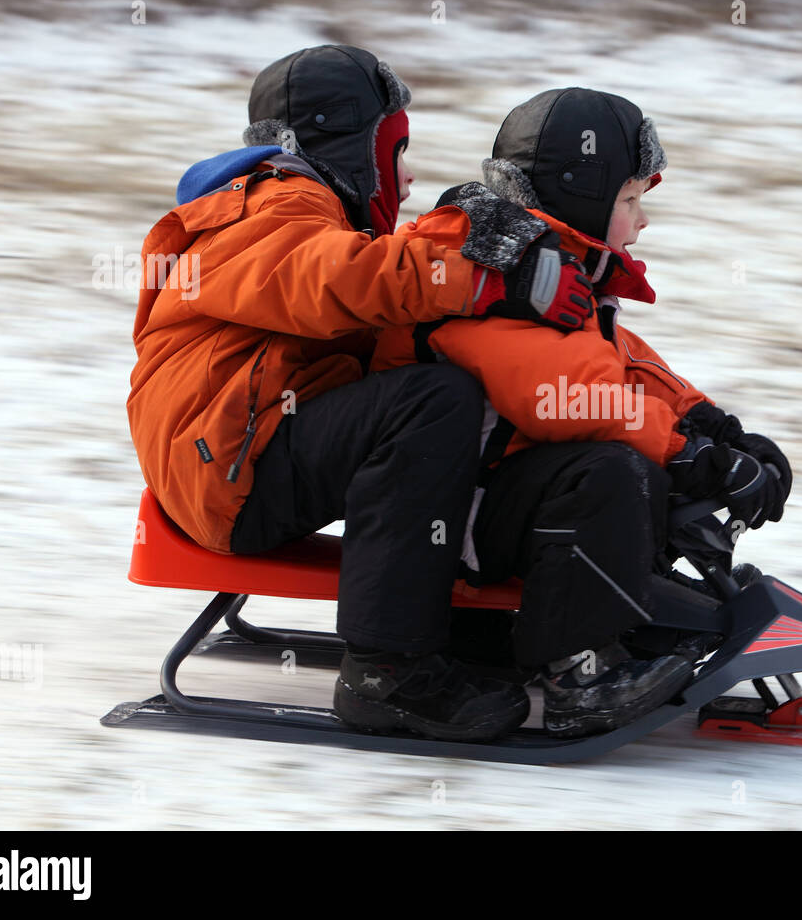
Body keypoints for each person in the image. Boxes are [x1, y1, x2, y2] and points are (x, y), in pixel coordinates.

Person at [126, 47, 596, 743]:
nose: (405, 181)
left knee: (442, 383)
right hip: (226, 472)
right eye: (395, 151)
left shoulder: (302, 212)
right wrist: (486, 277)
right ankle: (387, 670)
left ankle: (463, 621)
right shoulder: (272, 204)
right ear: (348, 146)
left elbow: (361, 300)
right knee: (429, 403)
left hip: (238, 453)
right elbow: (327, 280)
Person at [367, 88, 794, 738]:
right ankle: (577, 675)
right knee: (615, 471)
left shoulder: (544, 268)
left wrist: (712, 425)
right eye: (629, 201)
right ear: (581, 198)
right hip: (445, 522)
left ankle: (628, 623)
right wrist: (690, 456)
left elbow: (624, 363)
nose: (641, 221)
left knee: (632, 465)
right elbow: (564, 397)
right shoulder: (481, 268)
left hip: (492, 503)